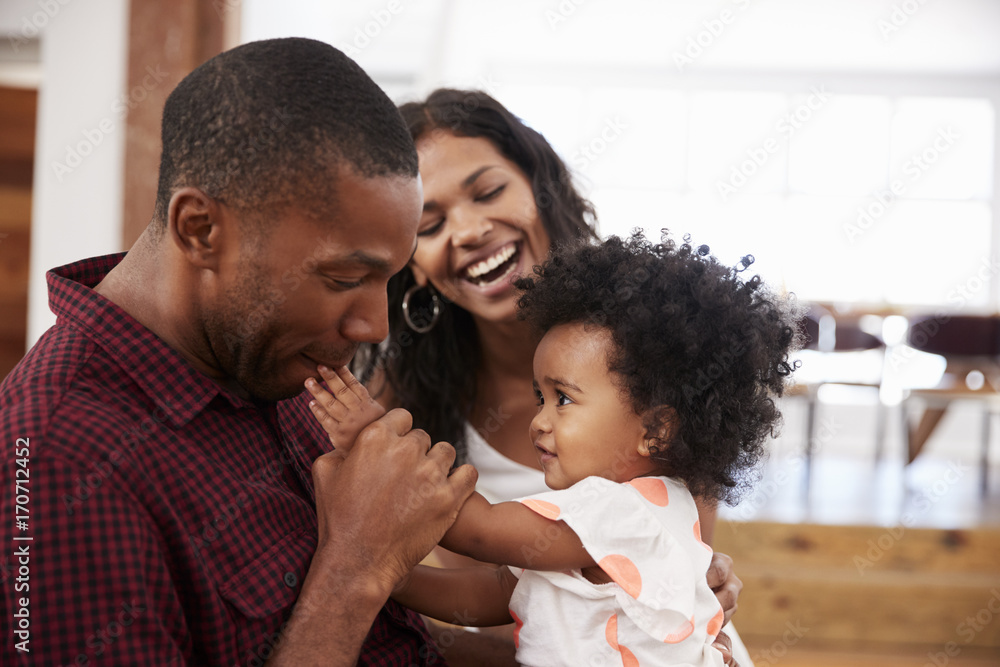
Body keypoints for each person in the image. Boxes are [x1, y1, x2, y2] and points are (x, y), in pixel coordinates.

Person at [0, 38, 478, 665]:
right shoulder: (55, 461)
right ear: (199, 229)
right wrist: (358, 568)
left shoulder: (271, 358)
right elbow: (347, 595)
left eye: (389, 279)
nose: (373, 326)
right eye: (341, 280)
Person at [357, 88, 750, 661]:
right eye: (430, 223)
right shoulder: (401, 396)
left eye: (489, 191)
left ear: (541, 189)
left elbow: (679, 578)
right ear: (408, 259)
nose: (467, 231)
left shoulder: (656, 361)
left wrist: (701, 576)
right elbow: (504, 604)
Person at [313, 232, 799, 666]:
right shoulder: (633, 513)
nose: (539, 421)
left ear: (656, 431)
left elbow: (477, 532)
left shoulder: (617, 514)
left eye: (563, 398)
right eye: (539, 397)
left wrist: (375, 443)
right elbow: (496, 593)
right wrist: (388, 575)